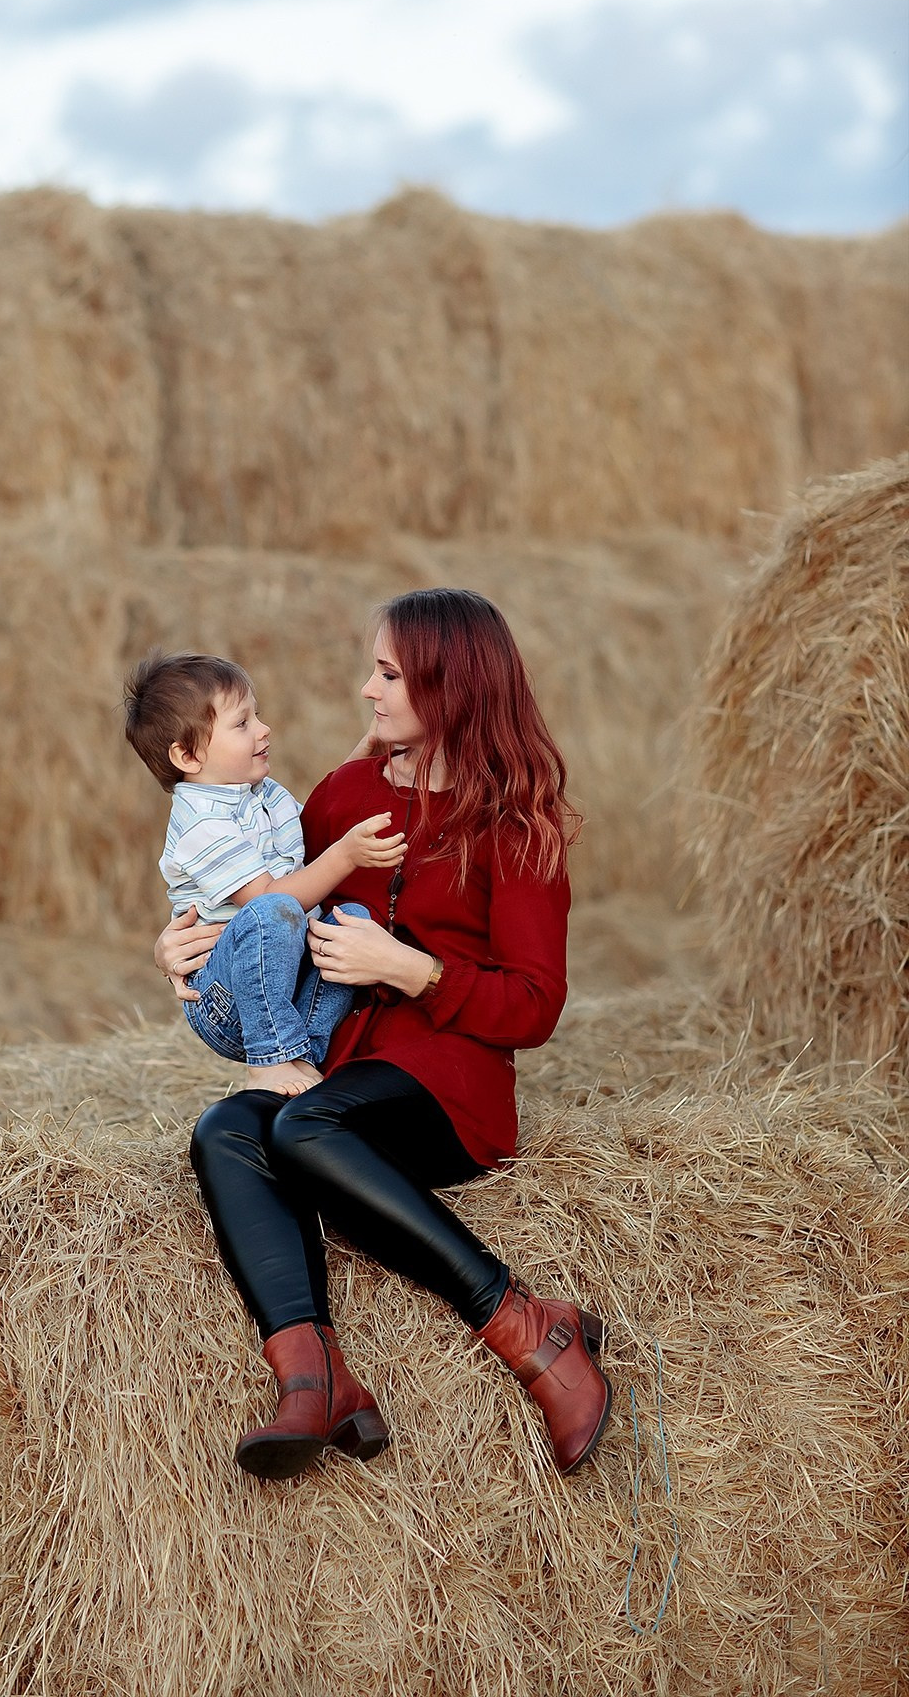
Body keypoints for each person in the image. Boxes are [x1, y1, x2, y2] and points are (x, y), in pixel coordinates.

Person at [155, 589, 612, 1481]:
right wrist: (178, 944)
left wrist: (410, 970)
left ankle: (528, 1329)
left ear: (449, 686)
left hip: (445, 1090)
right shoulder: (345, 794)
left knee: (300, 1125)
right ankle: (314, 1379)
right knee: (225, 1130)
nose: (367, 690)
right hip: (338, 1076)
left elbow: (535, 1006)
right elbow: (260, 901)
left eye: (389, 673)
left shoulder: (515, 824)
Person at [123, 649, 407, 1095]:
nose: (263, 729)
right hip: (229, 997)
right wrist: (346, 856)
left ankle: (305, 1055)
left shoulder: (261, 793)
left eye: (258, 716)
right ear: (187, 755)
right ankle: (270, 1058)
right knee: (274, 911)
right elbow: (267, 900)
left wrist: (365, 754)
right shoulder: (201, 824)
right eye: (242, 724)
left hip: (283, 979)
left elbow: (314, 827)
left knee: (353, 916)